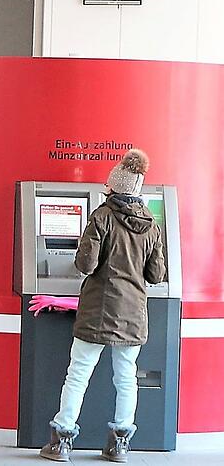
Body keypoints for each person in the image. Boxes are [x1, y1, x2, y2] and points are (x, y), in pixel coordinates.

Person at [39, 149, 166, 463]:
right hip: (133, 313)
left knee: (78, 373)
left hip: (98, 309)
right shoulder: (151, 224)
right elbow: (157, 273)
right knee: (126, 378)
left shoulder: (101, 216)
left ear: (112, 186)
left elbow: (85, 263)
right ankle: (120, 444)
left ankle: (62, 441)